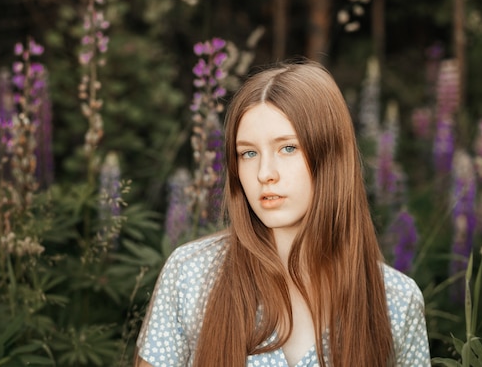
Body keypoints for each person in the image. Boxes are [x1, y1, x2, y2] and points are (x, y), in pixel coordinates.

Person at [135, 60, 430, 366]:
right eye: (248, 153)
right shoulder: (192, 276)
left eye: (287, 148)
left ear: (331, 157)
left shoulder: (395, 301)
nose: (264, 173)